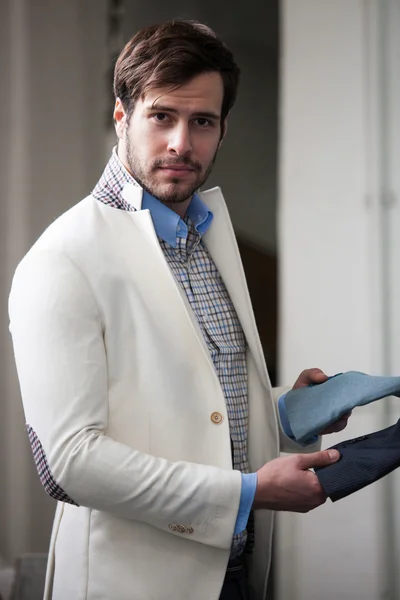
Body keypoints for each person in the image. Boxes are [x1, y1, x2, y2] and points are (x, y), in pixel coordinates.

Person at [8, 20, 350, 600]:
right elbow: (69, 463)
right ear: (123, 117)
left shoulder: (208, 237)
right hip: (133, 584)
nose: (181, 144)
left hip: (237, 574)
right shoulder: (63, 257)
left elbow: (189, 408)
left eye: (203, 122)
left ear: (222, 130)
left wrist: (285, 415)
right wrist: (248, 493)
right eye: (161, 116)